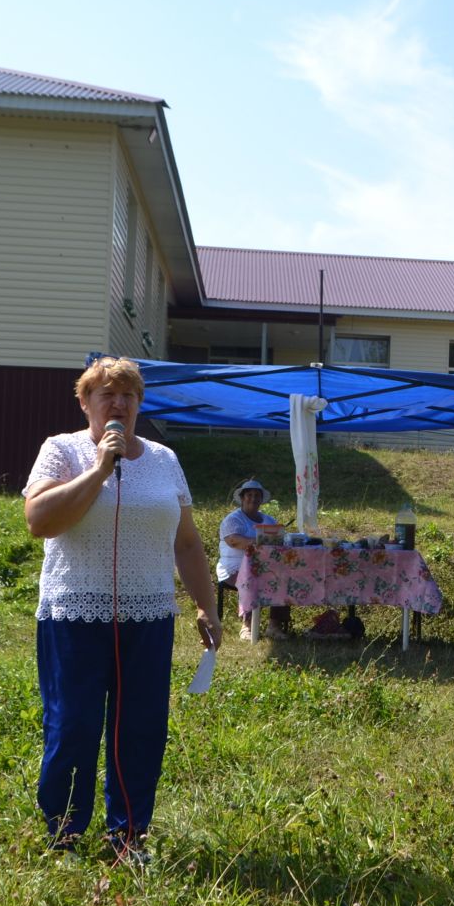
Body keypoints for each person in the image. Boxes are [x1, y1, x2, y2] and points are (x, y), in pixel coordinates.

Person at [22, 357, 220, 860]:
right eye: (107, 394)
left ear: (139, 404)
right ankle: (63, 834)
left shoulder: (164, 459)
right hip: (75, 616)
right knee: (73, 724)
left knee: (141, 727)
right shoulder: (60, 450)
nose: (119, 403)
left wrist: (206, 606)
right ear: (85, 402)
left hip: (148, 617)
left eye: (129, 395)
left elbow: (188, 544)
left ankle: (129, 836)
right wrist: (98, 469)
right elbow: (40, 520)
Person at [216, 478, 291, 638]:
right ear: (242, 498)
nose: (253, 498)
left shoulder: (269, 520)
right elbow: (234, 540)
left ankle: (274, 626)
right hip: (234, 568)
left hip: (265, 566)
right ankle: (247, 626)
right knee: (252, 577)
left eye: (257, 495)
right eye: (249, 495)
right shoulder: (233, 519)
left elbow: (279, 540)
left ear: (261, 500)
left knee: (283, 577)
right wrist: (260, 542)